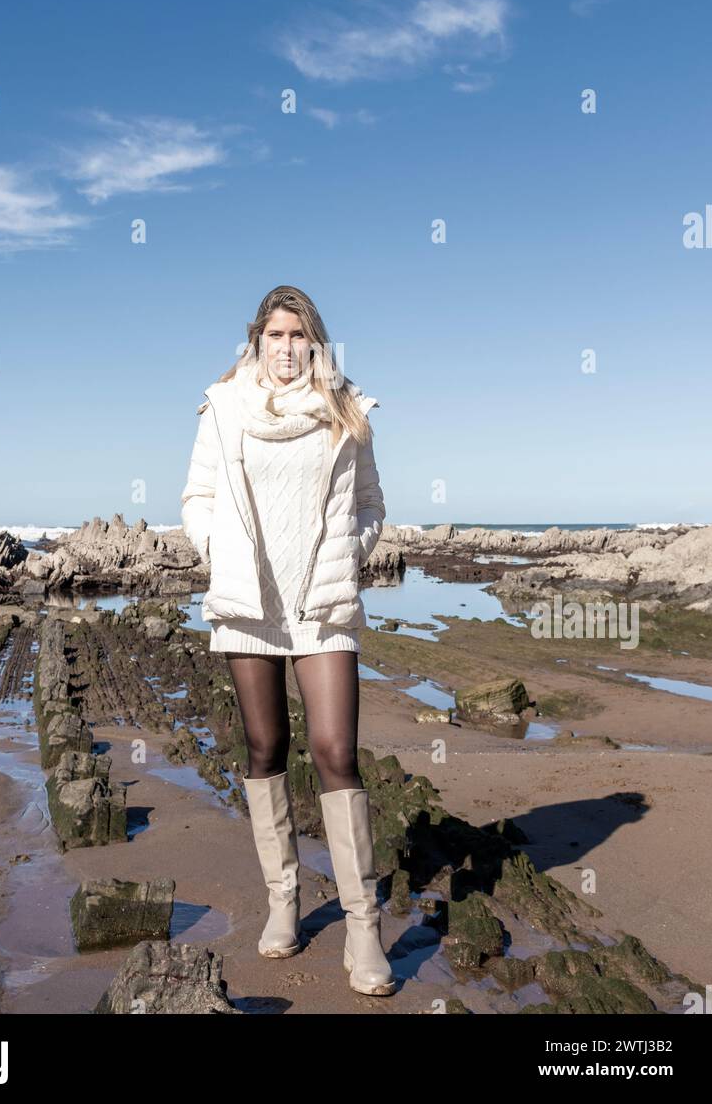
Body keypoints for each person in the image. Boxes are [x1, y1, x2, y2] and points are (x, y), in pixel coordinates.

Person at [180, 284, 395, 996]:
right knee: (266, 746)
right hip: (249, 602)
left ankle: (364, 926)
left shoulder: (346, 410)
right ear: (256, 341)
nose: (287, 348)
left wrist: (346, 549)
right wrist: (219, 551)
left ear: (316, 342)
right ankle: (284, 902)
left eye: (299, 336)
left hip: (324, 602)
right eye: (275, 335)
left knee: (336, 751)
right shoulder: (225, 407)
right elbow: (197, 497)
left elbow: (370, 505)